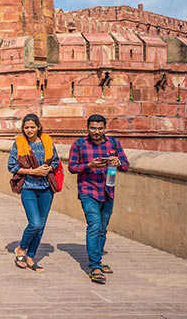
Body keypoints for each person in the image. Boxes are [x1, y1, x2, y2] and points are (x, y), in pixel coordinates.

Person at [69, 114, 129, 284]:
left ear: (105, 128)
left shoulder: (114, 143)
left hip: (108, 190)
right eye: (93, 128)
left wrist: (118, 162)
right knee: (94, 225)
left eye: (100, 128)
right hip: (88, 190)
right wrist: (89, 165)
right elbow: (72, 168)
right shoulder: (79, 144)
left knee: (103, 228)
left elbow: (126, 166)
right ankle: (95, 266)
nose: (96, 131)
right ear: (87, 128)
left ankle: (98, 262)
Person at [7, 114, 59, 272]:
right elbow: (12, 166)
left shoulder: (47, 141)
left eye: (32, 127)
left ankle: (31, 256)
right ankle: (21, 248)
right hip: (28, 187)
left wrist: (48, 169)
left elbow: (56, 161)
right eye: (26, 127)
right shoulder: (19, 143)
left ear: (38, 127)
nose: (29, 130)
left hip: (46, 189)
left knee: (41, 225)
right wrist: (33, 171)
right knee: (35, 223)